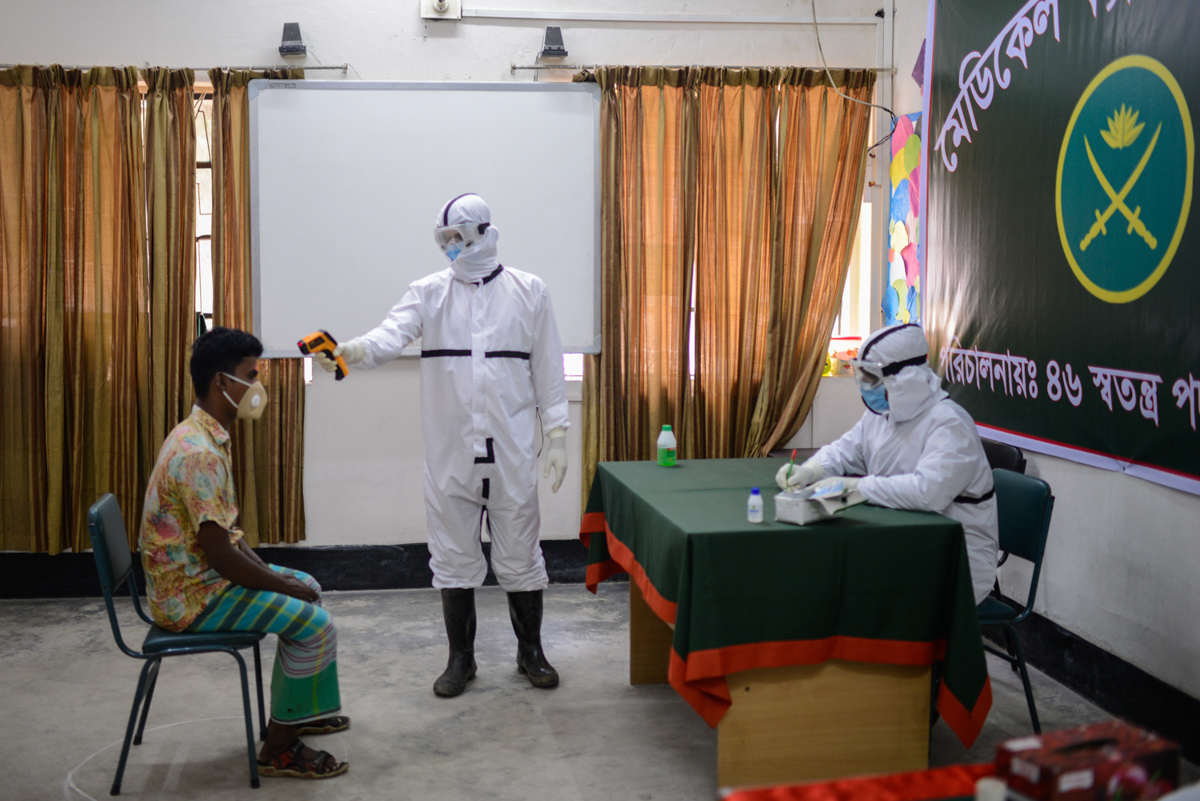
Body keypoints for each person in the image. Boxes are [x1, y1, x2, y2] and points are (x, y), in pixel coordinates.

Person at [314, 193, 569, 696]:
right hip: (450, 454)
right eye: (443, 239)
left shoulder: (529, 291)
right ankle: (461, 659)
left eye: (456, 237)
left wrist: (557, 433)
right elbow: (390, 335)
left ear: (481, 231)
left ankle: (531, 652)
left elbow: (548, 368)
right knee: (453, 557)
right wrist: (352, 352)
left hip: (512, 451)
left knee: (520, 552)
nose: (449, 247)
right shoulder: (428, 293)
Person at [139, 327, 348, 780]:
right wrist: (278, 584)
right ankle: (279, 748)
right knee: (317, 626)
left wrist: (286, 583)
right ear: (221, 383)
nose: (258, 386)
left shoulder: (203, 434)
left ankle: (298, 710)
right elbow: (223, 559)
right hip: (191, 599)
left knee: (307, 588)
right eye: (251, 375)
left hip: (198, 579)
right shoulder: (200, 454)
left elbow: (229, 538)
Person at [775, 323, 999, 606]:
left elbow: (927, 492)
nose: (864, 385)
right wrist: (813, 470)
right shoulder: (882, 414)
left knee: (861, 597)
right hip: (902, 541)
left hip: (957, 560)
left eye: (871, 377)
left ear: (904, 378)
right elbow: (844, 451)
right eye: (862, 375)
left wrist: (858, 488)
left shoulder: (950, 424)